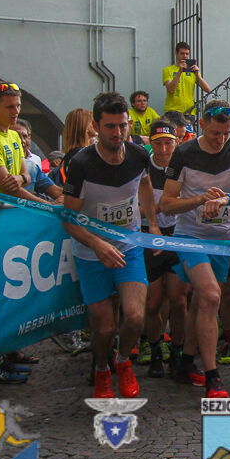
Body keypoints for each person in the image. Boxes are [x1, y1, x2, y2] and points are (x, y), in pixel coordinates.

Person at [158, 99, 230, 398]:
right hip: (190, 234)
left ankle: (186, 361)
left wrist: (227, 200)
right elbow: (166, 204)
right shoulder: (184, 153)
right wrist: (201, 199)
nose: (221, 139)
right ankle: (214, 376)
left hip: (223, 237)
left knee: (203, 302)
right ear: (202, 125)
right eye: (216, 132)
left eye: (227, 132)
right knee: (213, 296)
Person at [62, 92, 159, 398]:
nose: (118, 133)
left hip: (128, 245)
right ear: (96, 126)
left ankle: (122, 361)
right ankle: (102, 368)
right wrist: (97, 245)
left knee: (134, 316)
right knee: (104, 328)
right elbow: (68, 219)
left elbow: (144, 183)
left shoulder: (139, 155)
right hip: (91, 252)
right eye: (110, 127)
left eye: (123, 126)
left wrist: (152, 223)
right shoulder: (80, 164)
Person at [137, 118, 187, 378]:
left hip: (177, 236)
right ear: (150, 144)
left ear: (176, 142)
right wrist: (155, 209)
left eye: (169, 142)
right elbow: (134, 207)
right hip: (149, 237)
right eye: (158, 144)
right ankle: (155, 347)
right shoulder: (143, 168)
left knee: (179, 301)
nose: (164, 149)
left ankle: (177, 351)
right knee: (153, 302)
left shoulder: (183, 167)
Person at [0, 82, 48, 205]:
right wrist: (46, 205)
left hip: (13, 210)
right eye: (10, 107)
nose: (16, 111)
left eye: (18, 106)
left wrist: (20, 178)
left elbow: (27, 177)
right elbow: (9, 188)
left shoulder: (14, 135)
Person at [13, 120, 62, 202]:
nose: (22, 141)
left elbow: (54, 190)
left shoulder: (32, 166)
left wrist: (70, 198)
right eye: (16, 136)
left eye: (24, 136)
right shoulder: (1, 163)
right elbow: (12, 192)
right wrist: (46, 204)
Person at [163, 41, 211, 116]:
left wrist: (197, 75)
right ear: (176, 53)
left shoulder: (192, 71)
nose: (185, 56)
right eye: (182, 53)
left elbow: (208, 89)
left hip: (189, 111)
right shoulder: (168, 70)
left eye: (187, 54)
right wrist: (179, 72)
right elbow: (170, 89)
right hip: (173, 111)